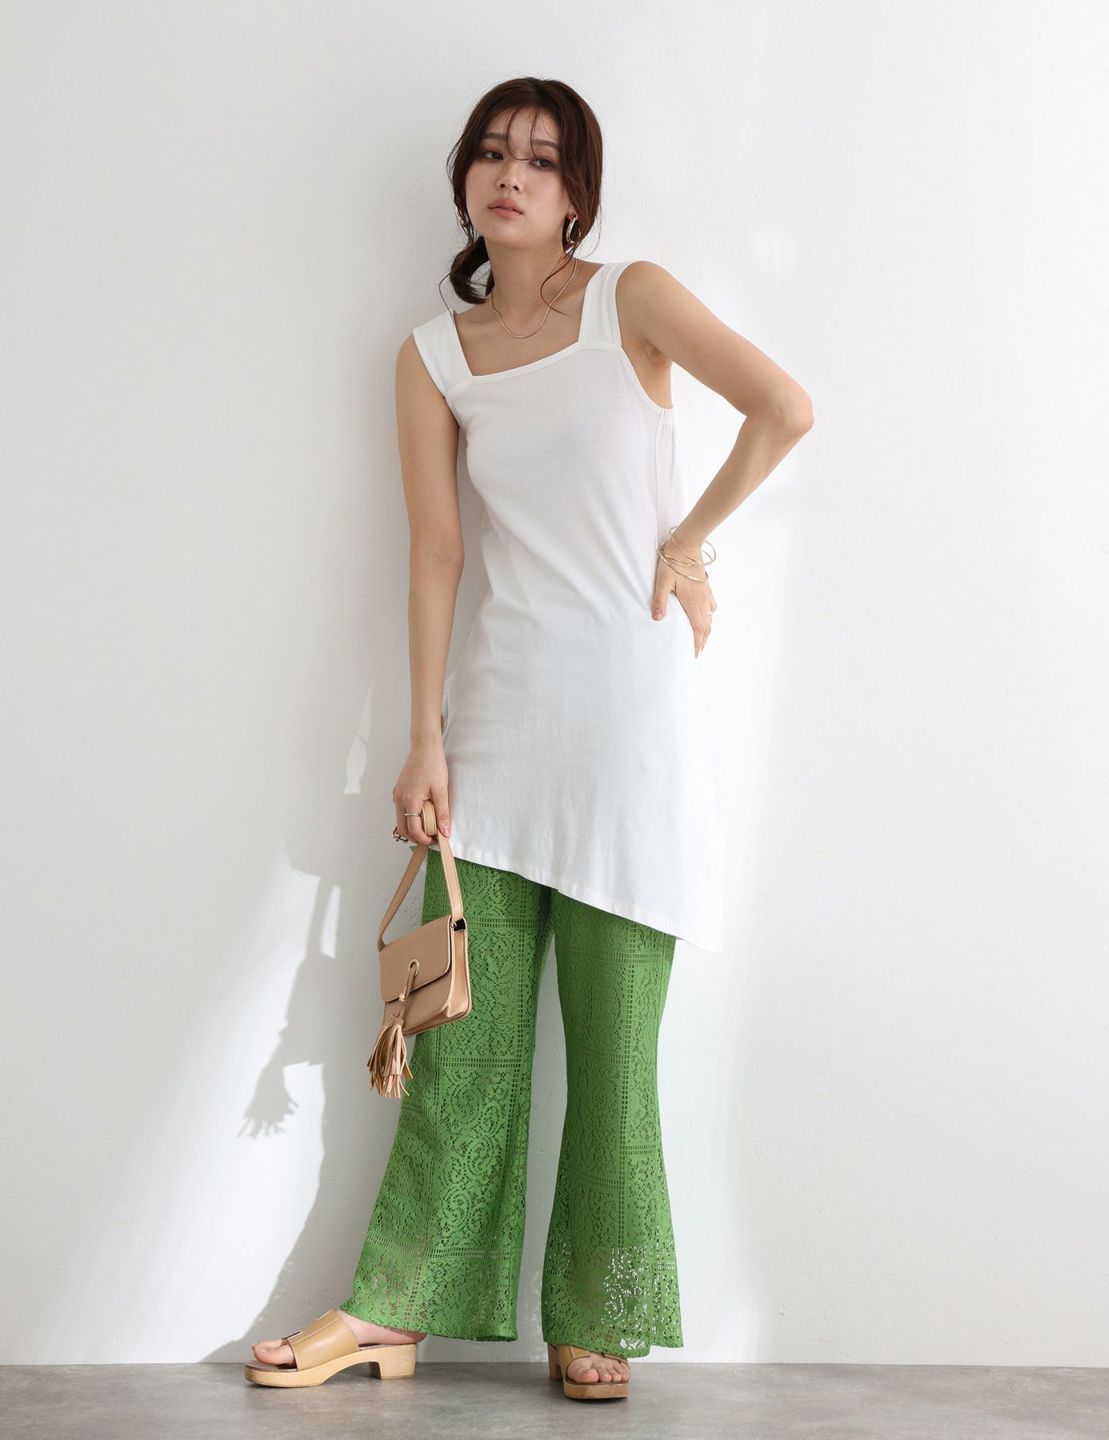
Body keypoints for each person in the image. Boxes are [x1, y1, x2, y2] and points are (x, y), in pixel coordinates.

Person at [247, 75, 813, 1402]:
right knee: (462, 1043)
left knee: (614, 1056)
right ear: (466, 180)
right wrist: (424, 739)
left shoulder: (634, 302)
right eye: (494, 154)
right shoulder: (431, 358)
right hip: (498, 730)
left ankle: (597, 1312)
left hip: (630, 734)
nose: (513, 175)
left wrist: (687, 541)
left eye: (544, 161)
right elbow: (436, 555)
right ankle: (393, 1308)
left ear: (577, 195)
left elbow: (783, 408)